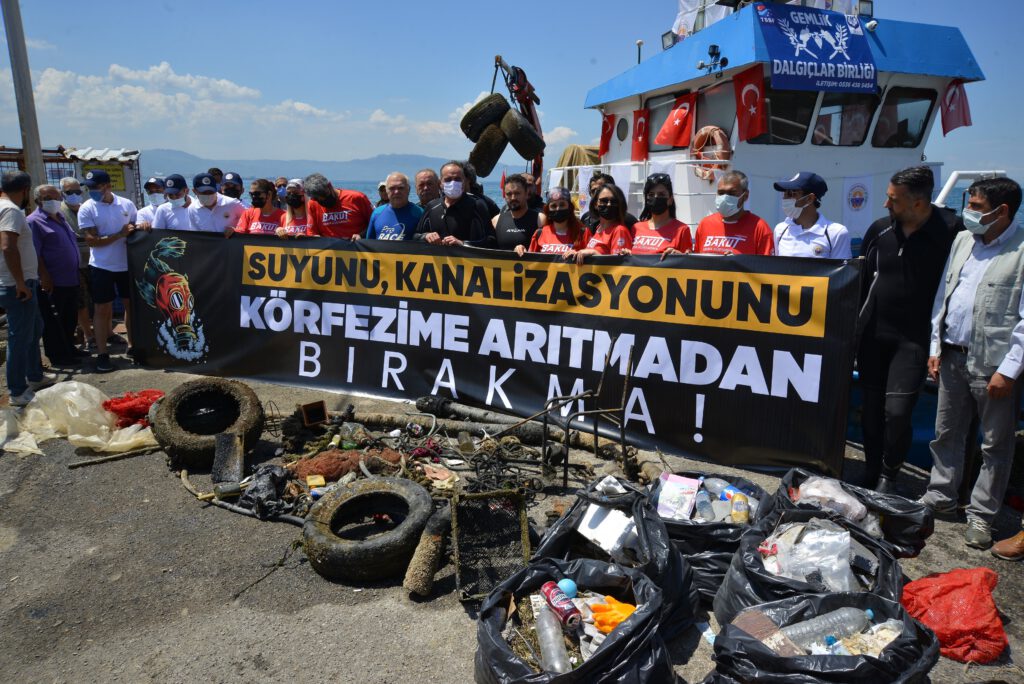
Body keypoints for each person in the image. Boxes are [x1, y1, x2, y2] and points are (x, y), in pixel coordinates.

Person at [918, 177, 1024, 552]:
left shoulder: (1021, 251)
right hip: (952, 354)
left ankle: (981, 515)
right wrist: (936, 345)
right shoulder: (963, 240)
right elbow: (944, 294)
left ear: (1002, 211)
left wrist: (1009, 370)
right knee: (946, 432)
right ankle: (940, 496)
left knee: (995, 445)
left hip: (993, 364)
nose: (968, 213)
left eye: (976, 207)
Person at [857, 166, 959, 492]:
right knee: (871, 411)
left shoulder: (951, 232)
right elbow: (861, 282)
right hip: (874, 335)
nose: (886, 204)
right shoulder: (879, 230)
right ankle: (871, 470)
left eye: (893, 199)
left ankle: (889, 474)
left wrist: (940, 345)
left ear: (918, 203)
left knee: (897, 412)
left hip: (914, 339)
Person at [0, 171, 54, 405]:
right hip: (16, 284)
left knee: (34, 328)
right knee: (20, 337)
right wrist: (20, 282)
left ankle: (35, 375)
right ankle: (18, 391)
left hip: (17, 281)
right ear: (25, 190)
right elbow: (8, 247)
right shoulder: (11, 210)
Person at [77, 168, 137, 373]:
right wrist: (119, 235)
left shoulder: (126, 204)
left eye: (96, 187)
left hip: (127, 264)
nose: (92, 191)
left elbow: (135, 229)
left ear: (108, 186)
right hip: (102, 266)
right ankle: (102, 353)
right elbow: (92, 241)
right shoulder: (87, 208)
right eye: (89, 187)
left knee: (131, 306)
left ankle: (133, 345)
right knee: (102, 309)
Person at [27, 184, 82, 366]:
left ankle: (69, 348)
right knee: (53, 321)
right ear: (38, 201)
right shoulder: (34, 222)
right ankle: (58, 356)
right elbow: (35, 253)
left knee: (69, 318)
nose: (54, 201)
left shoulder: (61, 217)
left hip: (71, 278)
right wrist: (44, 276)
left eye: (56, 197)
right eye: (48, 198)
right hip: (53, 280)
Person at [772, 172, 852, 258]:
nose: (785, 198)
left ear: (809, 199)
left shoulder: (836, 233)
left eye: (790, 193)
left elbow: (841, 267)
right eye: (784, 193)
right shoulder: (780, 230)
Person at [414, 161, 494, 247]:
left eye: (457, 179)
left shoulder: (477, 205)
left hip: (467, 255)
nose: (453, 183)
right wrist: (426, 236)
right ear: (440, 184)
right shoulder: (432, 206)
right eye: (448, 180)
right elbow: (415, 236)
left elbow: (492, 240)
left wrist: (462, 244)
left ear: (464, 181)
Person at [694, 171, 774, 255]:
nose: (725, 198)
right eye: (721, 193)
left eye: (732, 193)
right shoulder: (705, 224)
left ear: (745, 196)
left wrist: (736, 261)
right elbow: (696, 260)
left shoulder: (760, 228)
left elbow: (765, 263)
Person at [59, 176, 94, 351]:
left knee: (98, 298)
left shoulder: (86, 208)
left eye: (77, 191)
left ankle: (104, 331)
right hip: (74, 263)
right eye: (69, 192)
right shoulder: (59, 212)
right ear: (62, 193)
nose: (74, 195)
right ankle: (88, 335)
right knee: (81, 301)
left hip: (93, 260)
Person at [627, 173, 692, 257]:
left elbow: (688, 261)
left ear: (670, 199)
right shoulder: (636, 228)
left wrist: (679, 255)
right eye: (651, 194)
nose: (656, 197)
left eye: (661, 194)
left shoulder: (682, 230)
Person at [566, 183, 632, 264]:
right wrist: (577, 254)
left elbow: (619, 266)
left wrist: (594, 253)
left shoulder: (619, 230)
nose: (609, 204)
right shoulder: (599, 228)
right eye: (604, 201)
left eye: (614, 201)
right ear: (595, 204)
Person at [520, 187, 591, 257]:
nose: (558, 208)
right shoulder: (539, 233)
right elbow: (530, 260)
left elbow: (594, 257)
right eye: (553, 206)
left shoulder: (583, 233)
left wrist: (579, 253)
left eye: (562, 205)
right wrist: (521, 250)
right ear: (548, 210)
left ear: (570, 207)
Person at [304, 173, 373, 239]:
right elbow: (312, 233)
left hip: (355, 245)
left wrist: (361, 235)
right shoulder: (312, 204)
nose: (323, 199)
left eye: (324, 194)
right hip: (329, 246)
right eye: (317, 199)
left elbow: (375, 223)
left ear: (329, 185)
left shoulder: (357, 198)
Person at [493, 174, 544, 252]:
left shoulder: (540, 220)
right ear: (504, 195)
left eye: (517, 193)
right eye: (509, 194)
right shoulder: (496, 221)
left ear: (526, 194)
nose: (513, 198)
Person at [365, 172, 423, 240]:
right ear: (387, 190)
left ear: (408, 189)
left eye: (401, 188)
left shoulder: (419, 213)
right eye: (392, 188)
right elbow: (368, 243)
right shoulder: (377, 213)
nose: (396, 192)